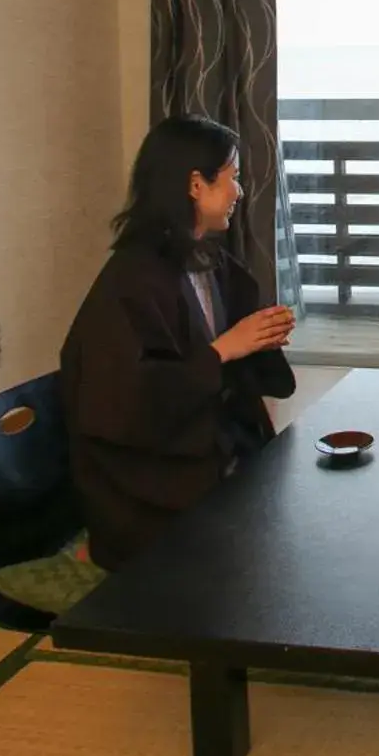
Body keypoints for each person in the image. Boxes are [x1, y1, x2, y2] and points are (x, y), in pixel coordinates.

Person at [59, 114, 298, 570]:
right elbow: (125, 400)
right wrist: (224, 350)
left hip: (206, 444)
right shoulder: (132, 278)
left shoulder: (208, 259)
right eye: (233, 178)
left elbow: (229, 359)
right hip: (147, 482)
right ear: (195, 185)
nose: (239, 192)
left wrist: (259, 339)